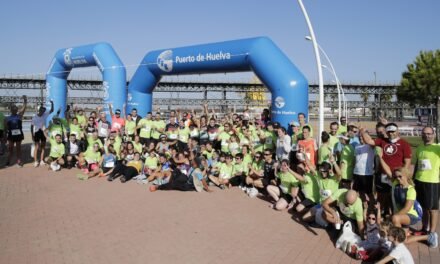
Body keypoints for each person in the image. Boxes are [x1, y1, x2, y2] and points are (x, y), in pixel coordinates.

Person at [413, 126, 439, 247]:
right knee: (423, 207)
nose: (426, 136)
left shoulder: (437, 148)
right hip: (419, 181)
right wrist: (413, 179)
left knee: (432, 209)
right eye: (424, 133)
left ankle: (432, 234)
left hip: (432, 182)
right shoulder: (419, 148)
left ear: (433, 135)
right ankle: (424, 229)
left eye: (429, 134)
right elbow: (418, 165)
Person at [5, 95, 27, 167]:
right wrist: (5, 136)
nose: (15, 110)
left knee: (18, 149)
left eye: (16, 109)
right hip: (11, 135)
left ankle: (19, 161)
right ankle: (8, 161)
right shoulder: (7, 118)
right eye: (13, 109)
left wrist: (25, 101)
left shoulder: (19, 116)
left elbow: (24, 108)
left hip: (18, 135)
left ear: (17, 110)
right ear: (11, 110)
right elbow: (6, 128)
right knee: (10, 149)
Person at [31, 101, 54, 167]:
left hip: (43, 132)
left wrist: (52, 103)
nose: (43, 111)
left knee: (43, 147)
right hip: (37, 132)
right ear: (39, 110)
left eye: (44, 110)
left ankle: (41, 160)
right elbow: (31, 126)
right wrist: (32, 135)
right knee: (37, 147)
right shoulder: (34, 117)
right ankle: (35, 161)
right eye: (41, 110)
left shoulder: (45, 115)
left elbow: (52, 110)